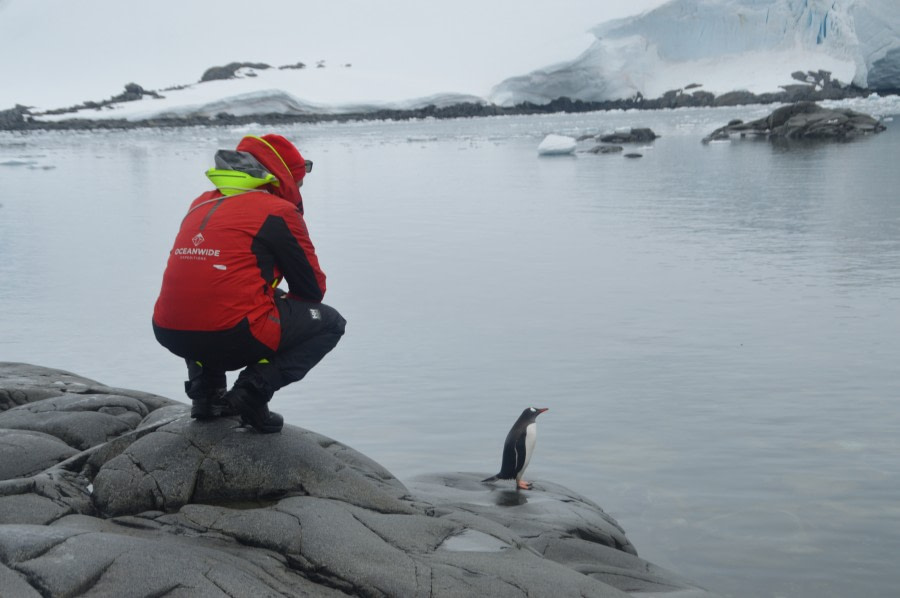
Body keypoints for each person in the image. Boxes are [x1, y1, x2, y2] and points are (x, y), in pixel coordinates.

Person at [152, 134, 346, 433]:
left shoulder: (200, 203)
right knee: (330, 323)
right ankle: (251, 395)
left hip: (169, 330)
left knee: (205, 295)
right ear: (283, 178)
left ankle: (207, 396)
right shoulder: (277, 210)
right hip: (234, 333)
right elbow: (311, 290)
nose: (300, 189)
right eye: (299, 182)